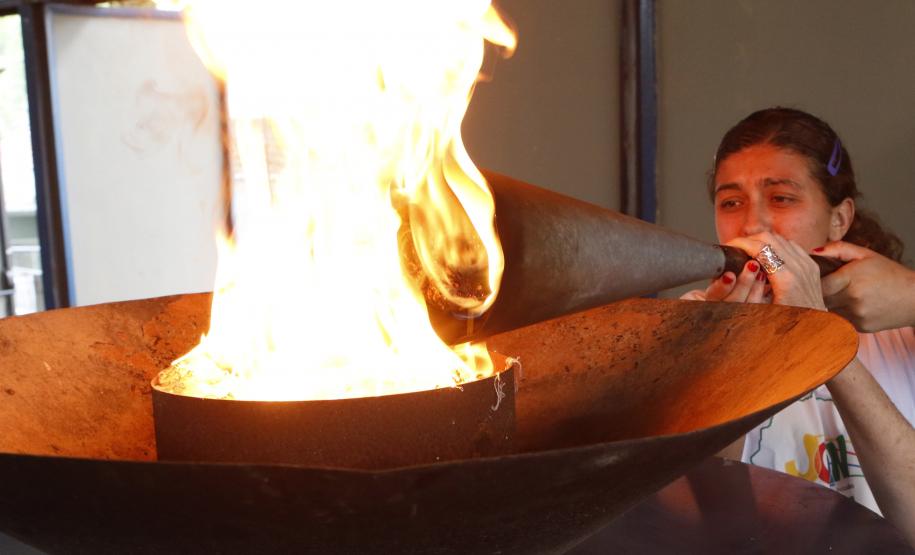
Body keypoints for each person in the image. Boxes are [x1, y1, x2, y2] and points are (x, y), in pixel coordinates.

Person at [683, 107, 915, 544]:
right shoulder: (694, 318)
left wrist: (819, 333)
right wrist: (724, 353)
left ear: (840, 219)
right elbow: (697, 516)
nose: (752, 225)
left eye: (781, 198)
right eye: (730, 202)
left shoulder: (898, 318)